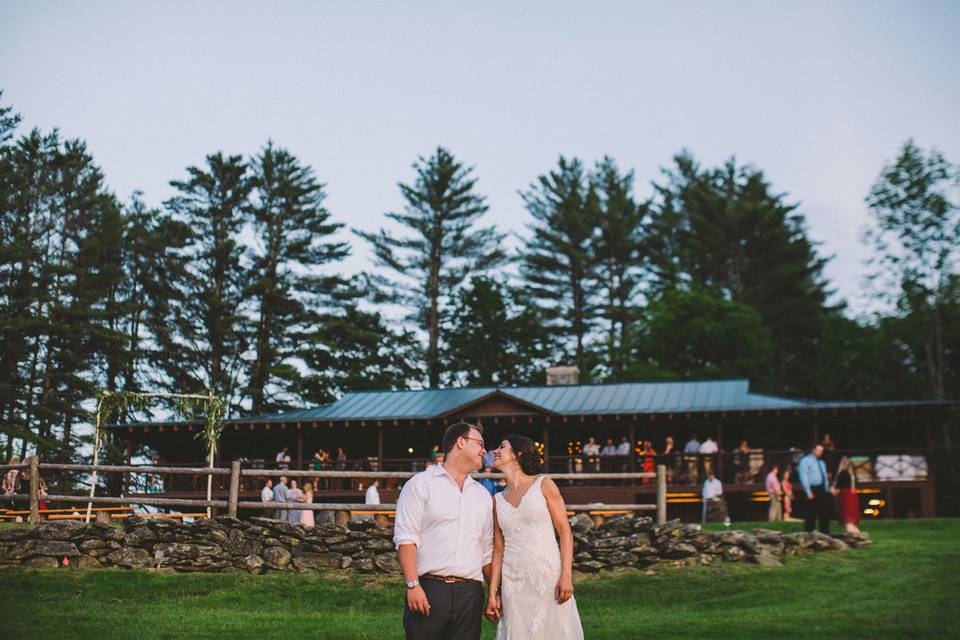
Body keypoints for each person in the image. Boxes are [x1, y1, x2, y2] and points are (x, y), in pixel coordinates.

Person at [394, 421, 493, 640]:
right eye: (480, 444)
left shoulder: (482, 495)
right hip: (429, 589)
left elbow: (486, 551)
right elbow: (406, 538)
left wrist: (495, 594)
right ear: (460, 442)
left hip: (471, 594)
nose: (485, 451)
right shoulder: (420, 484)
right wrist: (413, 585)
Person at [486, 434, 584, 639]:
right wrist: (493, 592)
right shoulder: (496, 501)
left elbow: (565, 532)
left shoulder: (544, 485)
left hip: (548, 578)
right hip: (513, 582)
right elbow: (498, 549)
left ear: (518, 453)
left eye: (502, 446)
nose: (495, 451)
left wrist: (566, 575)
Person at [798, 444, 833, 534]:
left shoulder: (822, 463)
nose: (820, 453)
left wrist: (828, 488)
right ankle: (808, 533)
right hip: (813, 489)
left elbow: (824, 477)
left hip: (822, 489)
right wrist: (808, 491)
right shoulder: (805, 461)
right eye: (818, 451)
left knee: (824, 513)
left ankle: (825, 533)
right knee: (811, 513)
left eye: (821, 451)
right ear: (813, 450)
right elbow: (804, 476)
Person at [833, 456, 861, 533]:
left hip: (847, 495)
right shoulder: (847, 474)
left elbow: (839, 485)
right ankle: (852, 529)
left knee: (849, 512)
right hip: (848, 494)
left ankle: (852, 529)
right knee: (849, 512)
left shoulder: (845, 473)